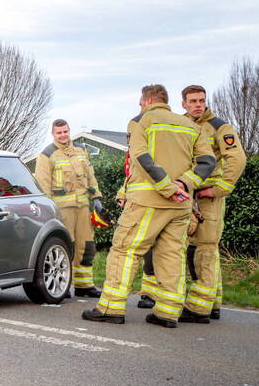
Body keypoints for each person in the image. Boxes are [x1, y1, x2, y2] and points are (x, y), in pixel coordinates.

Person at [83, 84, 216, 328]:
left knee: (125, 250)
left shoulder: (142, 121)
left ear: (146, 102)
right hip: (180, 206)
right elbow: (208, 161)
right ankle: (167, 312)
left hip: (148, 201)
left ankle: (111, 307)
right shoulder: (191, 126)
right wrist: (185, 185)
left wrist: (167, 187)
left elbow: (140, 158)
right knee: (172, 256)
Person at [138, 85, 247, 322]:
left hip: (207, 197)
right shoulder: (181, 124)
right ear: (183, 104)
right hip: (188, 194)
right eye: (193, 101)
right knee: (194, 249)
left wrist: (218, 189)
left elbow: (237, 159)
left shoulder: (220, 127)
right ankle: (211, 303)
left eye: (202, 100)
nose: (199, 105)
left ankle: (200, 308)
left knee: (204, 249)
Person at [34, 119, 105, 298]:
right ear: (53, 134)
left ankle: (84, 285)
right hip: (62, 210)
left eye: (65, 131)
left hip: (82, 208)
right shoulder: (46, 154)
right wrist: (49, 212)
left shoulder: (80, 151)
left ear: (69, 131)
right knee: (66, 248)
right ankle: (63, 284)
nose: (63, 135)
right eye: (59, 133)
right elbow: (43, 186)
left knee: (86, 246)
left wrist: (97, 197)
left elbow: (91, 177)